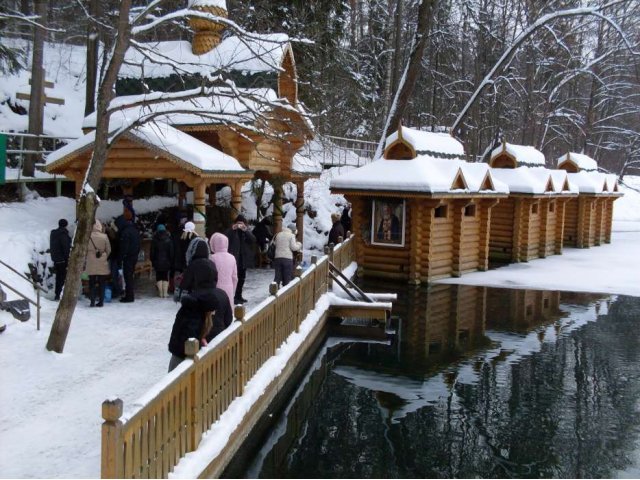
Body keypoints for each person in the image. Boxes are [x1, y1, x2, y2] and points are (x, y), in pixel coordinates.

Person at [167, 237, 219, 372]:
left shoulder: (193, 265)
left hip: (196, 299)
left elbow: (186, 282)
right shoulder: (211, 264)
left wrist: (182, 294)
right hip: (208, 300)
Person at [224, 215, 256, 304]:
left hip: (243, 259)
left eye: (241, 223)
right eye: (238, 223)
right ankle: (232, 297)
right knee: (234, 279)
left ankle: (239, 296)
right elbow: (225, 237)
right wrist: (232, 229)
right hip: (234, 259)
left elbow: (253, 239)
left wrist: (245, 230)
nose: (239, 225)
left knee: (242, 279)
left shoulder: (245, 231)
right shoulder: (231, 231)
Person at [85, 219, 111, 307]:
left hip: (91, 261)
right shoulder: (104, 237)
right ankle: (101, 302)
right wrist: (104, 256)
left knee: (91, 282)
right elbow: (109, 250)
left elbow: (84, 250)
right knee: (102, 283)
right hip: (102, 262)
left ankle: (92, 301)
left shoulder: (88, 236)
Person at [209, 232, 238, 310]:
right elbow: (235, 277)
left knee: (217, 312)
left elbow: (210, 276)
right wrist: (233, 290)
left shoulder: (212, 258)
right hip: (229, 288)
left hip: (215, 289)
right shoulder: (232, 258)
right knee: (227, 312)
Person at [118, 210, 141, 303]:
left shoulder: (125, 232)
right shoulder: (135, 230)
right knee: (130, 276)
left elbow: (124, 247)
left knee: (128, 277)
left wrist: (121, 257)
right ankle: (129, 295)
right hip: (134, 256)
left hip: (128, 257)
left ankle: (129, 296)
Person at [50, 218, 71, 300]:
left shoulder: (53, 233)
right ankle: (61, 294)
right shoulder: (63, 234)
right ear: (66, 225)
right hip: (62, 259)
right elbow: (66, 247)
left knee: (58, 277)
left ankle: (57, 294)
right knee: (62, 277)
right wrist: (67, 258)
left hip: (55, 259)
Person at [150, 224, 174, 298]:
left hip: (157, 262)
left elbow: (152, 253)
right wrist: (171, 261)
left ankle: (160, 293)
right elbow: (171, 252)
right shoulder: (169, 240)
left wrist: (153, 261)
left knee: (159, 276)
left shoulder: (154, 240)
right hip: (166, 262)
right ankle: (165, 293)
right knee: (165, 276)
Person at [105, 220, 122, 298]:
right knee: (116, 276)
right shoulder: (118, 235)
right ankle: (118, 290)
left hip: (114, 258)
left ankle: (117, 290)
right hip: (117, 258)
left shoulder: (112, 237)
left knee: (114, 275)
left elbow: (111, 249)